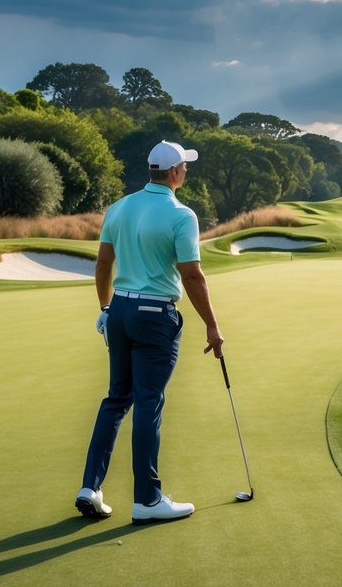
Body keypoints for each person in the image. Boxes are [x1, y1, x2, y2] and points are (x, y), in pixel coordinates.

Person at [75, 140, 224, 524]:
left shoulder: (119, 207)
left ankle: (90, 487)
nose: (186, 171)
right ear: (174, 172)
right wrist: (212, 325)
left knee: (116, 399)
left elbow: (103, 264)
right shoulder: (181, 215)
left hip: (120, 311)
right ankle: (147, 499)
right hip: (155, 317)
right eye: (184, 166)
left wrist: (105, 308)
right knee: (147, 402)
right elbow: (192, 276)